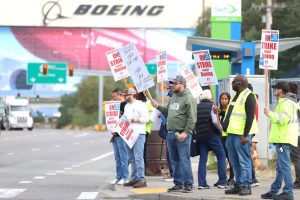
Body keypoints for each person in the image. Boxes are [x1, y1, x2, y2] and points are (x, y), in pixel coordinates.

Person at [151, 75, 197, 193]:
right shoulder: (173, 96)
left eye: (174, 84)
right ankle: (178, 183)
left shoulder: (189, 98)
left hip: (182, 134)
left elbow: (192, 118)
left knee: (184, 159)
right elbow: (168, 111)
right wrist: (158, 107)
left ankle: (188, 184)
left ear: (181, 84)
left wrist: (186, 133)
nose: (171, 86)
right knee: (174, 160)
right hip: (171, 133)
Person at [222, 75, 258, 196]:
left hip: (241, 135)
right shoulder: (235, 96)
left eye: (233, 83)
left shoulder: (249, 96)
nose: (232, 85)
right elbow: (231, 113)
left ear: (239, 83)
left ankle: (247, 186)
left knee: (244, 160)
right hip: (231, 134)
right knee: (234, 161)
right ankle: (239, 184)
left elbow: (250, 117)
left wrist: (245, 135)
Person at [261, 82, 298, 200]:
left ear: (280, 90)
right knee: (281, 167)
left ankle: (288, 193)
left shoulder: (286, 103)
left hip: (283, 139)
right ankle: (274, 191)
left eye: (275, 89)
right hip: (284, 138)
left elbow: (283, 120)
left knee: (284, 166)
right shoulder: (286, 102)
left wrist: (269, 114)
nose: (274, 91)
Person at [194, 90, 227, 189]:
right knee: (221, 155)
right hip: (212, 134)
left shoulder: (197, 107)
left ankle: (201, 183)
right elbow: (215, 122)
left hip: (200, 135)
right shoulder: (212, 106)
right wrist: (221, 130)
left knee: (203, 159)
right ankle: (222, 181)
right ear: (210, 97)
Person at [123, 88, 149, 188]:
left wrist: (132, 120)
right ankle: (134, 179)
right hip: (128, 134)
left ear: (133, 95)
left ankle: (141, 179)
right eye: (125, 95)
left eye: (127, 95)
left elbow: (146, 119)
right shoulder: (126, 106)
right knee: (131, 158)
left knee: (138, 157)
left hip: (138, 133)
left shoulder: (141, 105)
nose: (125, 97)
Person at [110, 88, 128, 185]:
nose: (113, 99)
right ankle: (118, 177)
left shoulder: (126, 106)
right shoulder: (113, 106)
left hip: (122, 134)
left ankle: (124, 177)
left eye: (114, 96)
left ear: (120, 95)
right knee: (117, 158)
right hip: (115, 135)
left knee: (123, 157)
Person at [218, 92, 235, 187]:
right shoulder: (219, 110)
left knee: (230, 157)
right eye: (222, 99)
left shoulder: (229, 109)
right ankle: (222, 178)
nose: (224, 100)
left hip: (229, 136)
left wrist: (220, 112)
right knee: (222, 157)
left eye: (226, 99)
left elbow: (228, 115)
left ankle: (232, 178)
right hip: (221, 136)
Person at [137, 92, 154, 175]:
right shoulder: (137, 103)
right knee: (140, 152)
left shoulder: (147, 103)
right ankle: (141, 170)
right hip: (140, 129)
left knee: (141, 151)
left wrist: (141, 120)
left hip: (144, 129)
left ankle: (143, 171)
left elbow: (151, 116)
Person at [288, 82, 300, 189]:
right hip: (296, 133)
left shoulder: (293, 103)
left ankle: (299, 180)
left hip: (296, 133)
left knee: (296, 158)